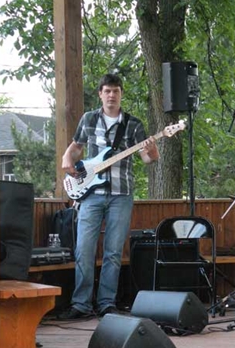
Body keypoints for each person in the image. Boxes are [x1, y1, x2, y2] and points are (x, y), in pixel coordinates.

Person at [58, 73, 159, 319]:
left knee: (113, 251)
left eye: (116, 91)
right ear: (101, 94)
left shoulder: (133, 124)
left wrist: (152, 151)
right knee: (84, 249)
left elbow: (146, 159)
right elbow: (76, 147)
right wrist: (66, 159)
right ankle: (81, 304)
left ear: (121, 94)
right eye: (107, 91)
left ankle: (106, 303)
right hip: (90, 194)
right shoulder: (89, 119)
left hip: (121, 194)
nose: (112, 95)